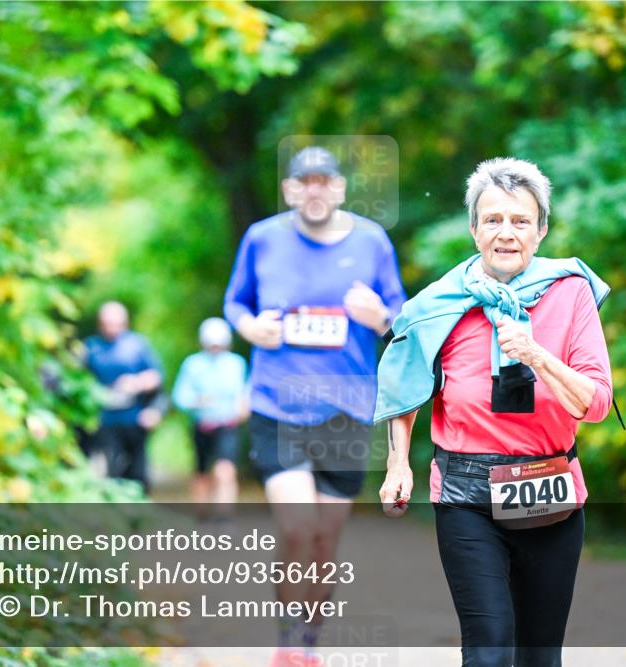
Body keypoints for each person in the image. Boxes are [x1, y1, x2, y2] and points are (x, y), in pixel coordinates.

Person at [376, 158, 614, 667]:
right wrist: (398, 463)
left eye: (520, 221)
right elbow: (405, 386)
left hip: (550, 488)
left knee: (539, 656)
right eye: (493, 220)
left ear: (541, 230)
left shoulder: (570, 293)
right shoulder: (436, 305)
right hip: (466, 495)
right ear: (473, 228)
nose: (506, 233)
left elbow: (595, 404)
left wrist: (535, 355)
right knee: (488, 650)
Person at [224, 146, 406, 664]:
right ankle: (286, 638)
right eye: (304, 182)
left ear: (341, 189)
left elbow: (400, 316)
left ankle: (309, 637)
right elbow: (236, 301)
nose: (315, 190)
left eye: (325, 181)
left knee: (326, 538)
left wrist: (377, 317)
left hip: (347, 407)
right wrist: (249, 327)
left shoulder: (372, 242)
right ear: (289, 190)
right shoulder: (261, 238)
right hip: (276, 403)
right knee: (297, 527)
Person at [83, 301, 167, 490]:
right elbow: (79, 381)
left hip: (134, 420)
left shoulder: (137, 345)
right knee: (110, 475)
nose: (112, 328)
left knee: (138, 474)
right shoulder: (91, 347)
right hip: (103, 422)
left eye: (116, 323)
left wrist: (135, 383)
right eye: (107, 323)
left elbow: (156, 377)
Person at [172, 317, 249, 520]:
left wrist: (243, 406)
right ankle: (202, 514)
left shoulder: (236, 364)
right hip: (202, 425)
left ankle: (224, 517)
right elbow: (180, 396)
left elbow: (244, 392)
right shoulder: (193, 364)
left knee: (226, 471)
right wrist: (197, 401)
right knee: (202, 473)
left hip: (228, 425)